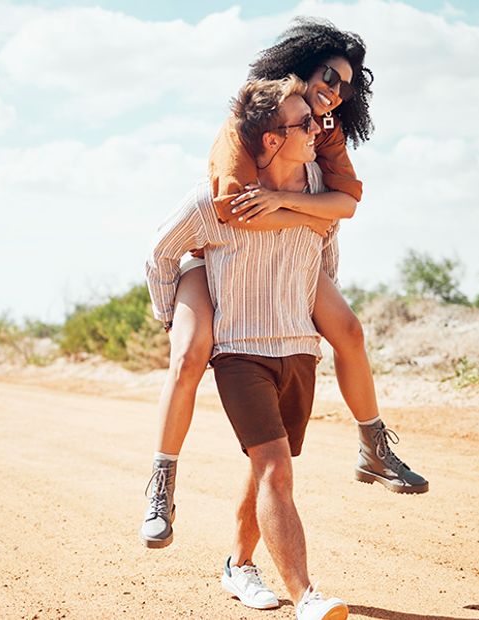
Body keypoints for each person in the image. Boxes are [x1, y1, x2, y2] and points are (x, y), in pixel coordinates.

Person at [140, 18, 427, 551]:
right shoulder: (245, 128)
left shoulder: (325, 132)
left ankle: (373, 444)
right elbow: (234, 212)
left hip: (290, 254)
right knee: (189, 354)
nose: (334, 92)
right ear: (300, 64)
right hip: (213, 257)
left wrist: (297, 211)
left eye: (345, 85)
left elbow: (343, 205)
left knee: (349, 329)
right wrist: (304, 215)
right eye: (329, 76)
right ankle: (162, 483)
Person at [147, 75, 351, 620]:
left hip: (298, 350)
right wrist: (175, 320)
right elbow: (160, 254)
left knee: (266, 466)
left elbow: (327, 250)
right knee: (275, 469)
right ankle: (307, 596)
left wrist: (311, 315)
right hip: (240, 353)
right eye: (304, 122)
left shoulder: (315, 191)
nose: (317, 126)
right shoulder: (216, 199)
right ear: (269, 140)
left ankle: (239, 565)